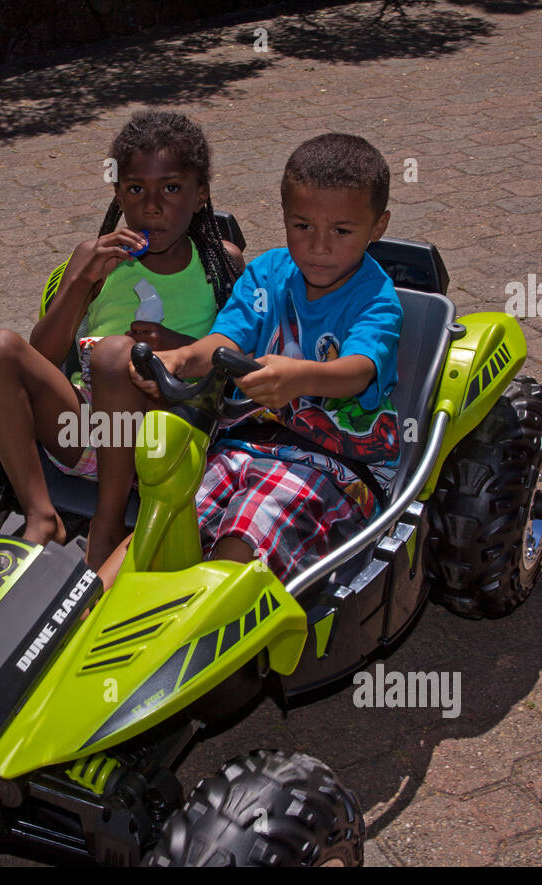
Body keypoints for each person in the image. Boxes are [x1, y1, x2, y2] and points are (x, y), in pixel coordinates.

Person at [0, 110, 243, 570]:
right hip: (85, 429)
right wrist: (81, 283)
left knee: (118, 354)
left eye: (171, 189)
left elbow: (238, 354)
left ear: (201, 196)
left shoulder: (222, 264)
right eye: (136, 190)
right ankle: (42, 515)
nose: (151, 205)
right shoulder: (92, 256)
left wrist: (174, 344)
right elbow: (43, 359)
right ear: (118, 195)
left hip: (166, 435)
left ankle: (108, 523)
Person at [128, 132, 403, 582]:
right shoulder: (269, 273)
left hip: (332, 463)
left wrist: (299, 377)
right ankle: (83, 616)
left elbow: (356, 372)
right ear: (284, 217)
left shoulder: (376, 299)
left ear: (378, 227)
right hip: (242, 443)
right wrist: (179, 361)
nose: (318, 246)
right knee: (162, 518)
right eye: (302, 226)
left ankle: (207, 636)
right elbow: (222, 343)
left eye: (341, 231)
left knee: (241, 544)